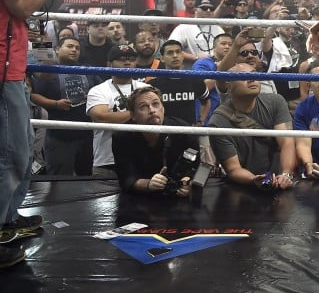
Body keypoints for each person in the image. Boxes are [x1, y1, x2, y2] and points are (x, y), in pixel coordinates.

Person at [0, 0, 74, 268]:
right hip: (2, 71)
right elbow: (24, 5)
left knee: (21, 148)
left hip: (10, 68)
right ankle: (0, 230)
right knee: (12, 154)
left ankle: (9, 220)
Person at [207, 64, 296, 190]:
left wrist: (286, 174)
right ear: (229, 84)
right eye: (244, 76)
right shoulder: (217, 122)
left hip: (279, 181)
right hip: (242, 188)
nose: (251, 79)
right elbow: (233, 169)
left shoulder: (276, 102)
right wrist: (253, 179)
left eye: (254, 74)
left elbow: (287, 142)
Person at [111, 85, 200, 196]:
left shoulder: (184, 131)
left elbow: (195, 165)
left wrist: (188, 182)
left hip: (177, 197)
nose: (152, 110)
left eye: (156, 104)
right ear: (133, 115)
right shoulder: (122, 136)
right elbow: (126, 177)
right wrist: (148, 184)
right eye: (143, 106)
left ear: (163, 108)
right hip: (139, 200)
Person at [29, 37, 97, 176]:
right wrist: (55, 104)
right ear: (57, 49)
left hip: (86, 133)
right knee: (59, 180)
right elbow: (33, 95)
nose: (74, 50)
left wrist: (91, 96)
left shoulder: (88, 69)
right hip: (59, 136)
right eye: (70, 46)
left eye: (77, 48)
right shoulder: (47, 72)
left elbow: (101, 91)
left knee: (86, 178)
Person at [85, 45, 150, 178]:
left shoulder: (146, 88)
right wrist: (139, 115)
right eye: (121, 59)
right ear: (109, 64)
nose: (127, 62)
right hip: (107, 161)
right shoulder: (98, 90)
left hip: (141, 158)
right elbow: (101, 116)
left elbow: (155, 116)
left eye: (131, 59)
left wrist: (119, 116)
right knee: (102, 198)